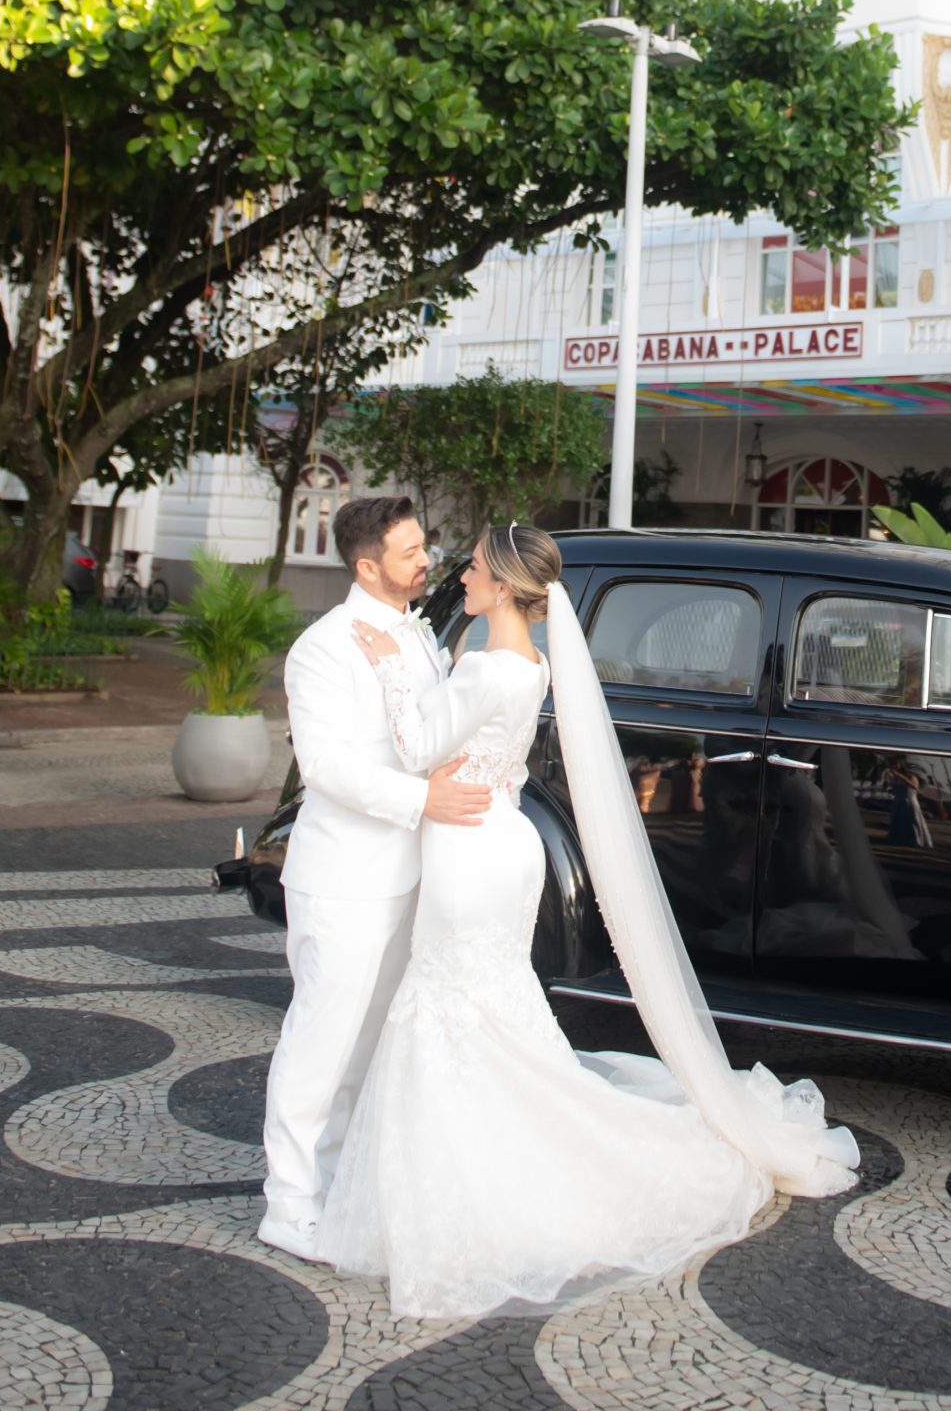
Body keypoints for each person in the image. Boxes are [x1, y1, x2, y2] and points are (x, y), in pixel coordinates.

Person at [318, 522, 858, 1319]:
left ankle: (470, 1181)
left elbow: (416, 748)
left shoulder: (484, 664)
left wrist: (387, 667)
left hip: (468, 851)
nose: (459, 577)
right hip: (502, 839)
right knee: (491, 1006)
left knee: (449, 1008)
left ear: (503, 585)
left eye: (471, 569)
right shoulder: (528, 662)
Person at [258, 495, 493, 1265]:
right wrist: (423, 797)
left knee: (368, 1045)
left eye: (423, 545)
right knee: (320, 1042)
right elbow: (324, 768)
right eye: (409, 552)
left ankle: (339, 1185)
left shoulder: (417, 636)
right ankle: (288, 1205)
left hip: (412, 871)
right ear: (367, 567)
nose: (426, 560)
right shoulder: (321, 649)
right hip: (345, 877)